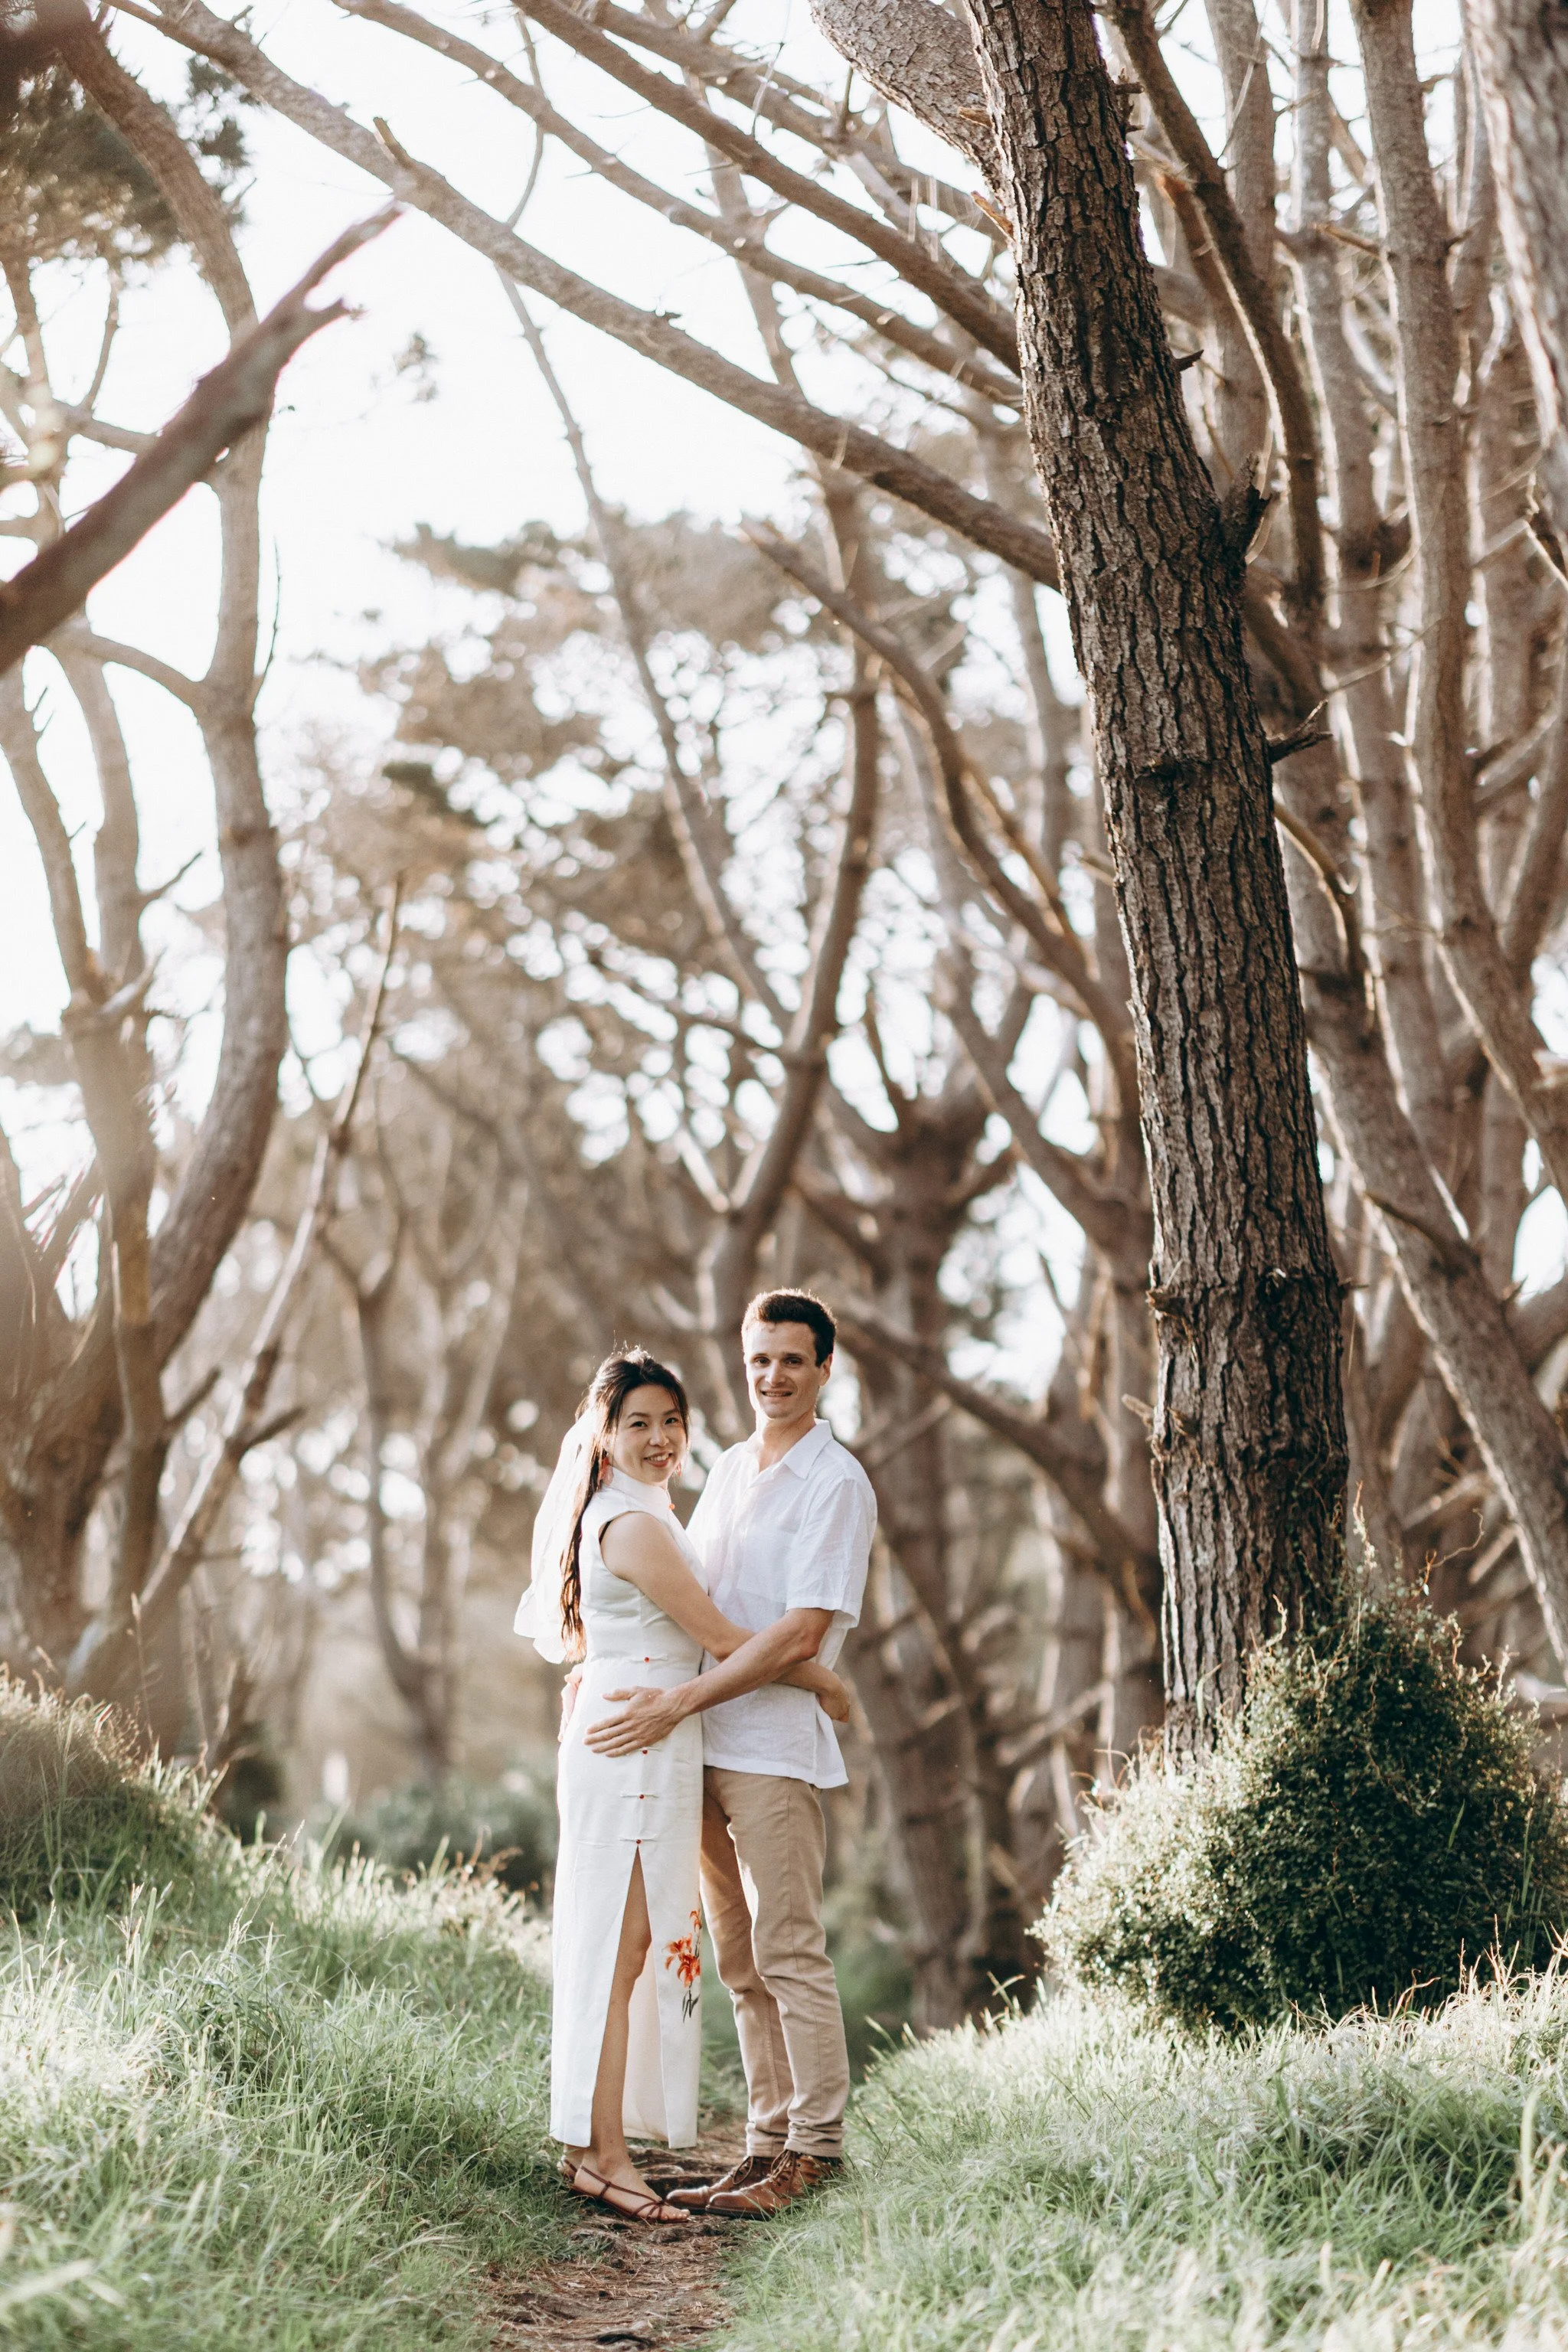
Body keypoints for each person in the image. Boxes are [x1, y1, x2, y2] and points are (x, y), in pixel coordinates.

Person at [515, 1348, 853, 2226]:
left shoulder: (645, 1510)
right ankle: (603, 2158)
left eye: (671, 1421)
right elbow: (715, 1630)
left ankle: (596, 2149)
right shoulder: (630, 1525)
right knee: (618, 1951)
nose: (661, 1438)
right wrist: (823, 1680)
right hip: (636, 1739)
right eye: (639, 1423)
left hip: (654, 1732)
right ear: (603, 1431)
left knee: (624, 1948)